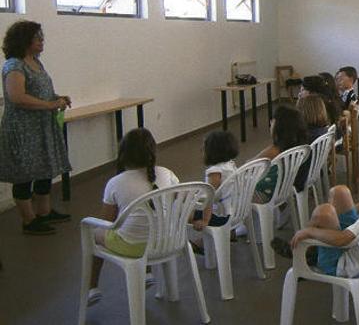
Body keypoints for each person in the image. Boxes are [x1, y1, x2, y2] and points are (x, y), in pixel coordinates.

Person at [86, 129, 179, 306]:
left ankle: (92, 288)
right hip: (167, 240)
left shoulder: (115, 183)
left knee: (94, 234)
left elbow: (107, 224)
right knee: (150, 222)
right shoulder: (167, 174)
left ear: (123, 155)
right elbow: (175, 202)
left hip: (133, 247)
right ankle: (146, 273)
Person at [0, 20, 72, 235]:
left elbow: (39, 91)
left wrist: (57, 98)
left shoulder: (35, 62)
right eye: (37, 37)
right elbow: (17, 97)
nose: (42, 41)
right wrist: (50, 104)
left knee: (44, 169)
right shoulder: (14, 65)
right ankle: (28, 220)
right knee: (24, 174)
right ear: (25, 40)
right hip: (23, 129)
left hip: (41, 126)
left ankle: (44, 211)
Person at [253, 105, 310, 203]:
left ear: (280, 127)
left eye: (273, 121)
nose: (270, 123)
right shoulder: (300, 147)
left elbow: (250, 165)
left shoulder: (275, 150)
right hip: (287, 187)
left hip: (268, 193)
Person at [193, 131, 238, 230]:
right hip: (235, 211)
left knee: (185, 212)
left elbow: (209, 198)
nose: (201, 150)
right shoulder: (230, 165)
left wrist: (205, 220)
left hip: (221, 217)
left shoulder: (214, 172)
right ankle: (227, 235)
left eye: (204, 148)